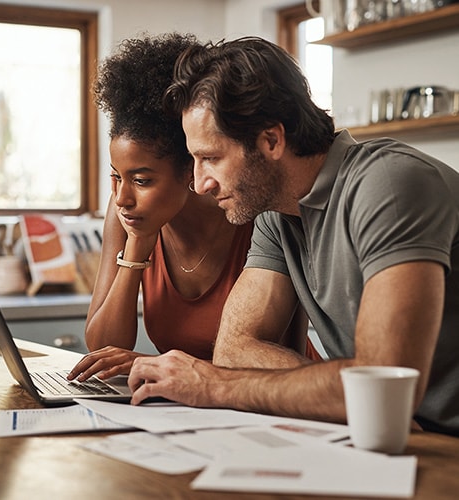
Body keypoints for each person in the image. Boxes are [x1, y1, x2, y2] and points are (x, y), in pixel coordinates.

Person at [127, 36, 459, 438]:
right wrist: (345, 394)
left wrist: (213, 385)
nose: (200, 184)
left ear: (271, 140)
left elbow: (382, 386)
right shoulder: (278, 215)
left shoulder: (388, 185)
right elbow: (233, 350)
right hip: (391, 435)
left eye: (211, 158)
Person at [68, 34, 319, 383]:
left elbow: (274, 353)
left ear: (191, 168)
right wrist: (139, 246)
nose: (122, 197)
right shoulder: (129, 214)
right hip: (189, 403)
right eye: (116, 177)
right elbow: (102, 347)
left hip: (276, 396)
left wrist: (155, 365)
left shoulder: (251, 209)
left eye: (141, 180)